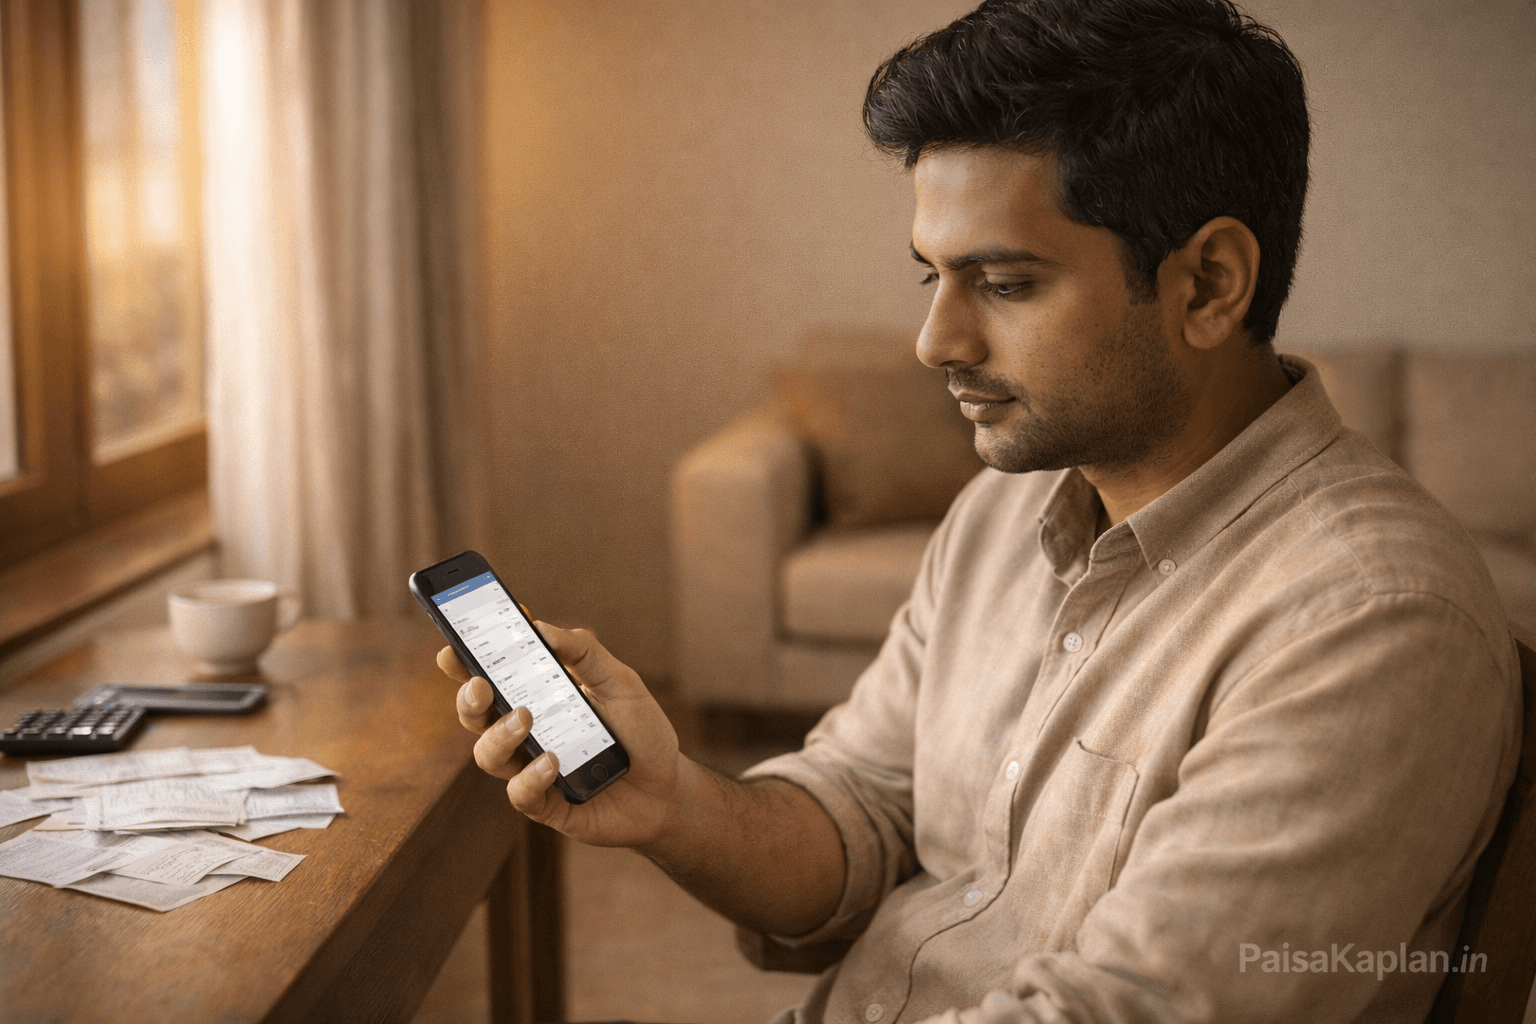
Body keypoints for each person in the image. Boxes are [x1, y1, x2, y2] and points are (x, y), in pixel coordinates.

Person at [438, 1, 1523, 1021]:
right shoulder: (1003, 518)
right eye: (932, 279)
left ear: (1208, 284)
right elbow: (860, 806)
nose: (936, 343)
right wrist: (671, 801)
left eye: (1003, 283)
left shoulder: (1375, 623)